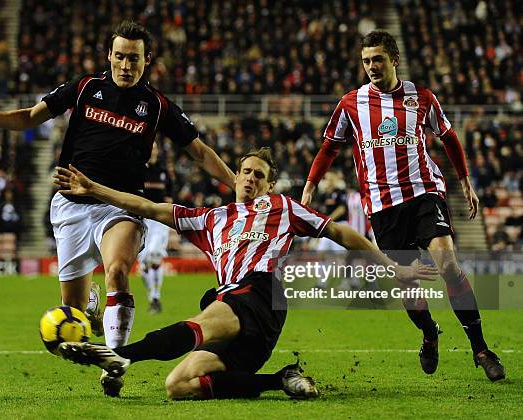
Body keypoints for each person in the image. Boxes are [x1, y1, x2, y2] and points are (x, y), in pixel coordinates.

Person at [0, 20, 235, 396]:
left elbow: (200, 152)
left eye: (134, 59)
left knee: (119, 272)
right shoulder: (86, 87)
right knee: (72, 321)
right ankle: (90, 307)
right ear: (109, 56)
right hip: (70, 209)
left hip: (120, 205)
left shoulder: (156, 106)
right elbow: (30, 116)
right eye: (120, 56)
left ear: (147, 60)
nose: (126, 65)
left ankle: (115, 361)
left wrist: (237, 184)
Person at [52, 147, 437, 400]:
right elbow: (148, 207)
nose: (251, 179)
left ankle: (120, 357)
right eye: (245, 172)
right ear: (234, 178)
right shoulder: (211, 219)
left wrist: (395, 267)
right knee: (179, 386)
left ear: (269, 185)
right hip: (236, 312)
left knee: (203, 320)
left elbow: (340, 233)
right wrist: (94, 189)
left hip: (259, 295)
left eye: (259, 175)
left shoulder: (282, 207)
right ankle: (280, 378)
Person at [301, 30, 505, 381]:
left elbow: (448, 137)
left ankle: (481, 349)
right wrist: (310, 187)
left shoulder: (421, 97)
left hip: (424, 192)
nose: (371, 67)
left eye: (378, 59)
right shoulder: (351, 103)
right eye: (366, 61)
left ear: (394, 59)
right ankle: (429, 334)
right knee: (408, 283)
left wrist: (466, 182)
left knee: (448, 265)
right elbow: (329, 148)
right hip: (382, 205)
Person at [137, 142, 172, 313]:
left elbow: (170, 197)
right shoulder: (138, 170)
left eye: (155, 147)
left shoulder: (164, 171)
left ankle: (156, 296)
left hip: (159, 221)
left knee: (153, 256)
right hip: (142, 219)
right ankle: (152, 297)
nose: (153, 151)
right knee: (143, 263)